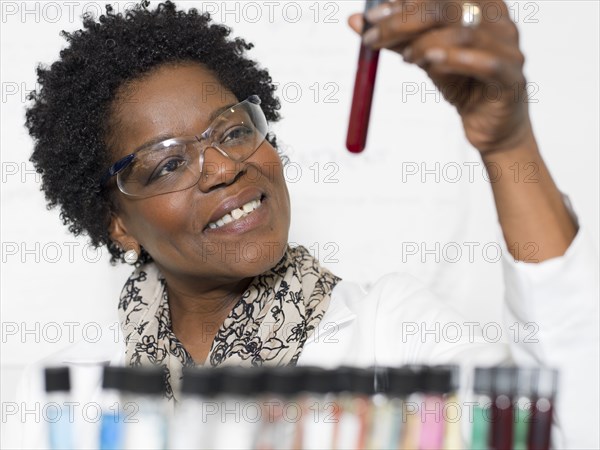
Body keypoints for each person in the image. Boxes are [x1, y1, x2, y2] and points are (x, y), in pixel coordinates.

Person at [13, 1, 598, 448]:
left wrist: (508, 143)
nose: (222, 167)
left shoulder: (390, 334)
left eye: (234, 130)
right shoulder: (69, 396)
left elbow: (564, 425)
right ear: (119, 224)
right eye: (168, 162)